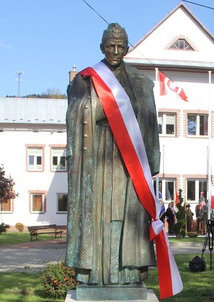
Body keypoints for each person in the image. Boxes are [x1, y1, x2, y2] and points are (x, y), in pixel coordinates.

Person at [65, 23, 160, 286]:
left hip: (130, 160)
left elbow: (151, 121)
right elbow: (75, 112)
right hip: (96, 156)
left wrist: (152, 161)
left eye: (120, 46)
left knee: (126, 214)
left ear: (127, 48)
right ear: (101, 47)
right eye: (110, 46)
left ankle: (127, 271)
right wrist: (102, 107)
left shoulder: (141, 81)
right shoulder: (85, 79)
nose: (115, 51)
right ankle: (95, 272)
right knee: (98, 213)